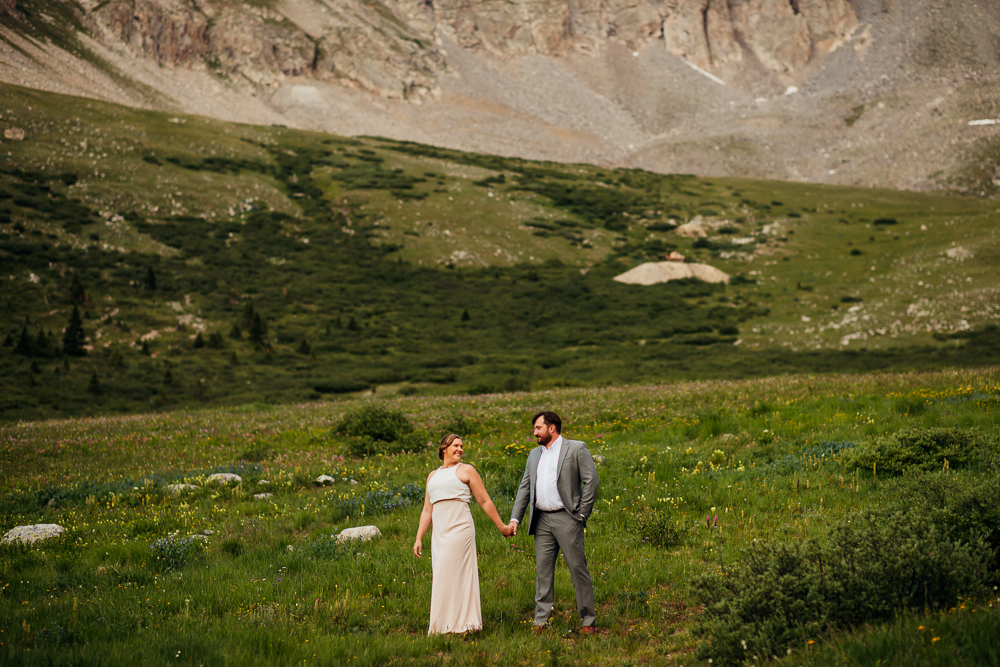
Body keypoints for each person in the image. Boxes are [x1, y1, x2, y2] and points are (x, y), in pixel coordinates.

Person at [508, 411, 599, 634]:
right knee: (543, 572)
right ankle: (541, 620)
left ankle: (588, 620)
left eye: (538, 428)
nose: (534, 432)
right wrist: (515, 518)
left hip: (567, 518)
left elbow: (592, 481)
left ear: (551, 428)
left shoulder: (576, 448)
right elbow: (525, 487)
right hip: (541, 520)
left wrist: (582, 514)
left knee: (577, 568)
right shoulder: (533, 454)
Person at [413, 433, 513, 634]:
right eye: (455, 445)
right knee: (441, 575)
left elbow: (484, 500)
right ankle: (442, 625)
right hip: (439, 534)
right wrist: (418, 538)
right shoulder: (432, 476)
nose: (460, 449)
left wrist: (501, 526)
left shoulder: (467, 470)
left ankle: (466, 624)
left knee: (460, 573)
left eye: (461, 446)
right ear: (444, 449)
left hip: (461, 529)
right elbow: (427, 510)